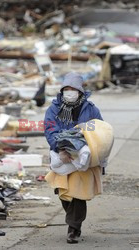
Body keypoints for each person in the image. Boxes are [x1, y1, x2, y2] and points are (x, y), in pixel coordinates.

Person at [44, 72, 103, 244]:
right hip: (61, 155)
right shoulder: (54, 108)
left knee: (77, 192)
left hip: (81, 158)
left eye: (73, 89)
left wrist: (85, 148)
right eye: (66, 89)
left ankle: (74, 228)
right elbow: (50, 129)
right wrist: (60, 147)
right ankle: (73, 220)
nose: (70, 92)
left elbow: (99, 130)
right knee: (62, 191)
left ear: (80, 91)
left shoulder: (91, 109)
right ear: (62, 91)